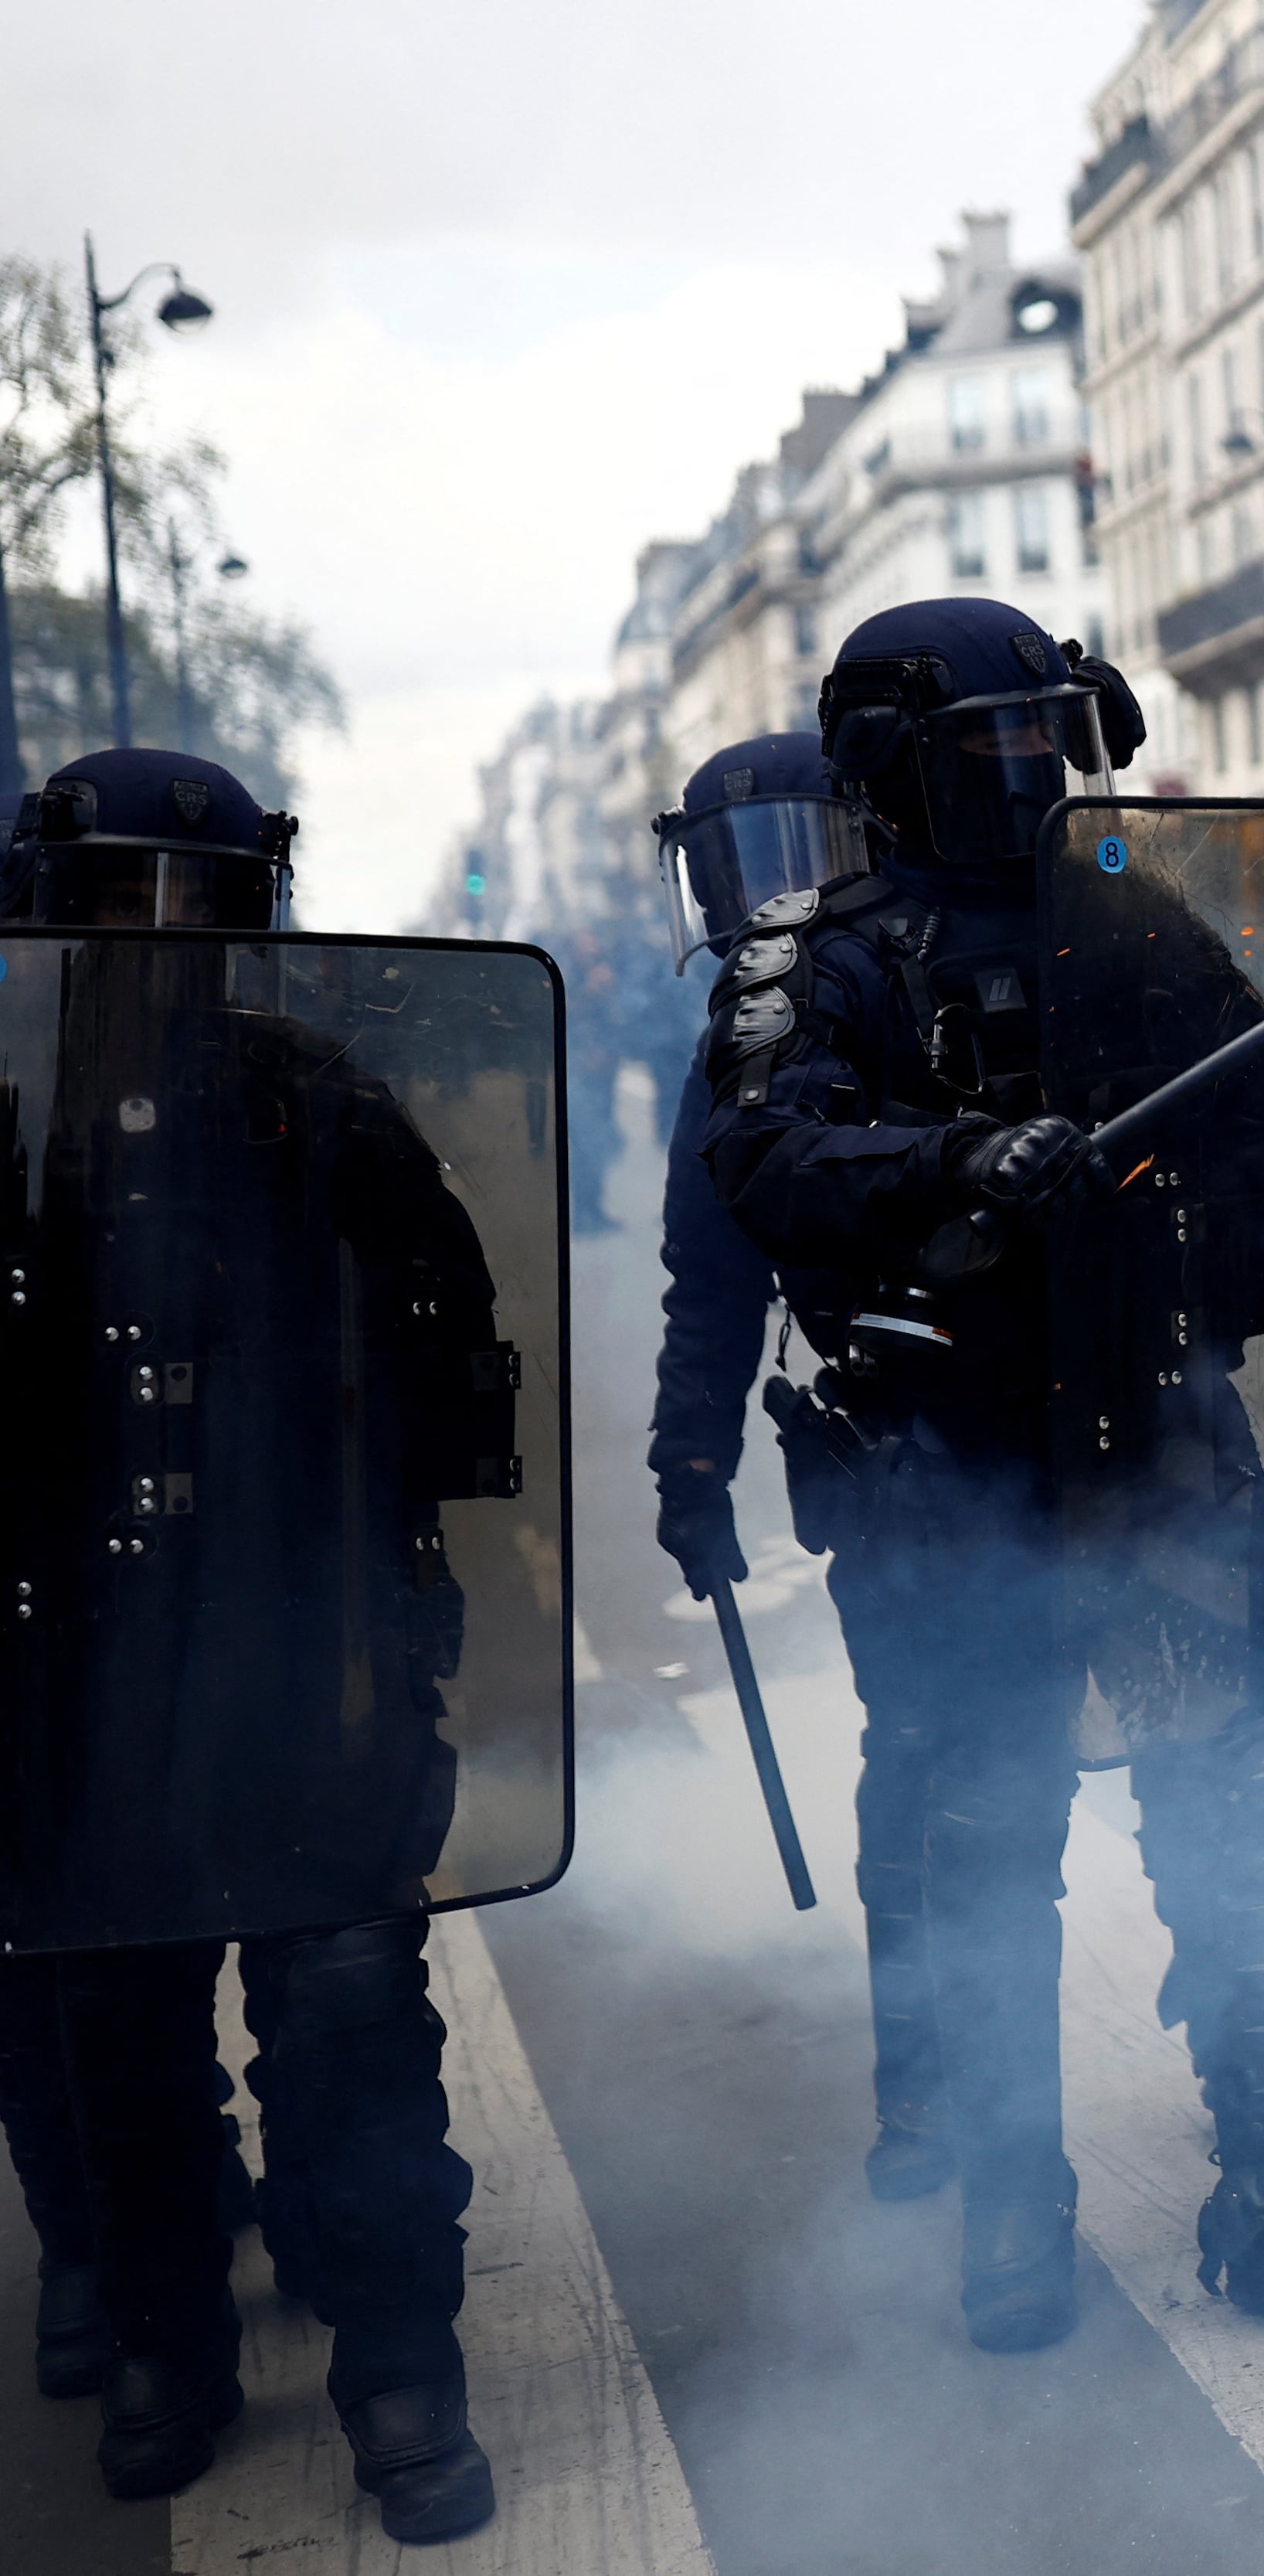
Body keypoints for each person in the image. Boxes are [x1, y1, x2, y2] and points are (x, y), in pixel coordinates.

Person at [698, 600, 1264, 2350]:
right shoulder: (812, 964)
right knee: (986, 1843)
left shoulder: (1135, 922)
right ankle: (1015, 2207)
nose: (1033, 777)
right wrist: (959, 1161)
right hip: (954, 1483)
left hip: (1161, 1458)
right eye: (991, 750)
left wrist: (1195, 1228)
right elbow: (766, 1154)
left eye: (1051, 738)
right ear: (894, 770)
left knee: (1241, 1809)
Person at [2, 750, 508, 2538]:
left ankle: (398, 2371)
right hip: (80, 1674)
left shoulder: (309, 1100)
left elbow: (459, 1360)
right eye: (114, 900)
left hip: (311, 1656)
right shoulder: (2, 1099)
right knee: (116, 2024)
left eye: (190, 905)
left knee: (352, 2025)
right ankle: (167, 2347)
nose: (150, 940)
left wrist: (403, 1572)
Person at [640, 737, 955, 2195]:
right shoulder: (753, 1039)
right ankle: (930, 2096)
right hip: (895, 1448)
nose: (773, 893)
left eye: (798, 847)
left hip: (1063, 1422)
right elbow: (711, 1276)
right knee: (924, 1779)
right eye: (740, 861)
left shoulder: (934, 963)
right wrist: (688, 1458)